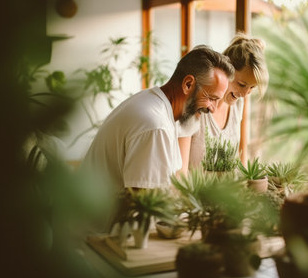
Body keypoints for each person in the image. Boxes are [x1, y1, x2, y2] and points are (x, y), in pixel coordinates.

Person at [81, 45, 234, 191]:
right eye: (212, 98)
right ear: (188, 84)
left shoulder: (154, 104)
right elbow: (144, 209)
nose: (212, 108)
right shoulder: (155, 126)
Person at [178, 33, 269, 173]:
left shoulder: (238, 104)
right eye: (241, 84)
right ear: (227, 70)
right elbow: (180, 173)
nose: (245, 94)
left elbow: (239, 161)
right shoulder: (195, 104)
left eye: (252, 87)